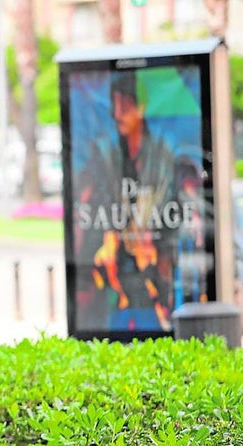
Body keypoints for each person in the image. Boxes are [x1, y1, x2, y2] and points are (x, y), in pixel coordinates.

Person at [74, 71, 178, 332]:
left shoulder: (162, 153)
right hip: (115, 277)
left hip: (150, 273)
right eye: (115, 105)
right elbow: (88, 204)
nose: (118, 114)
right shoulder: (105, 153)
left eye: (126, 106)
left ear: (140, 108)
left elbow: (171, 212)